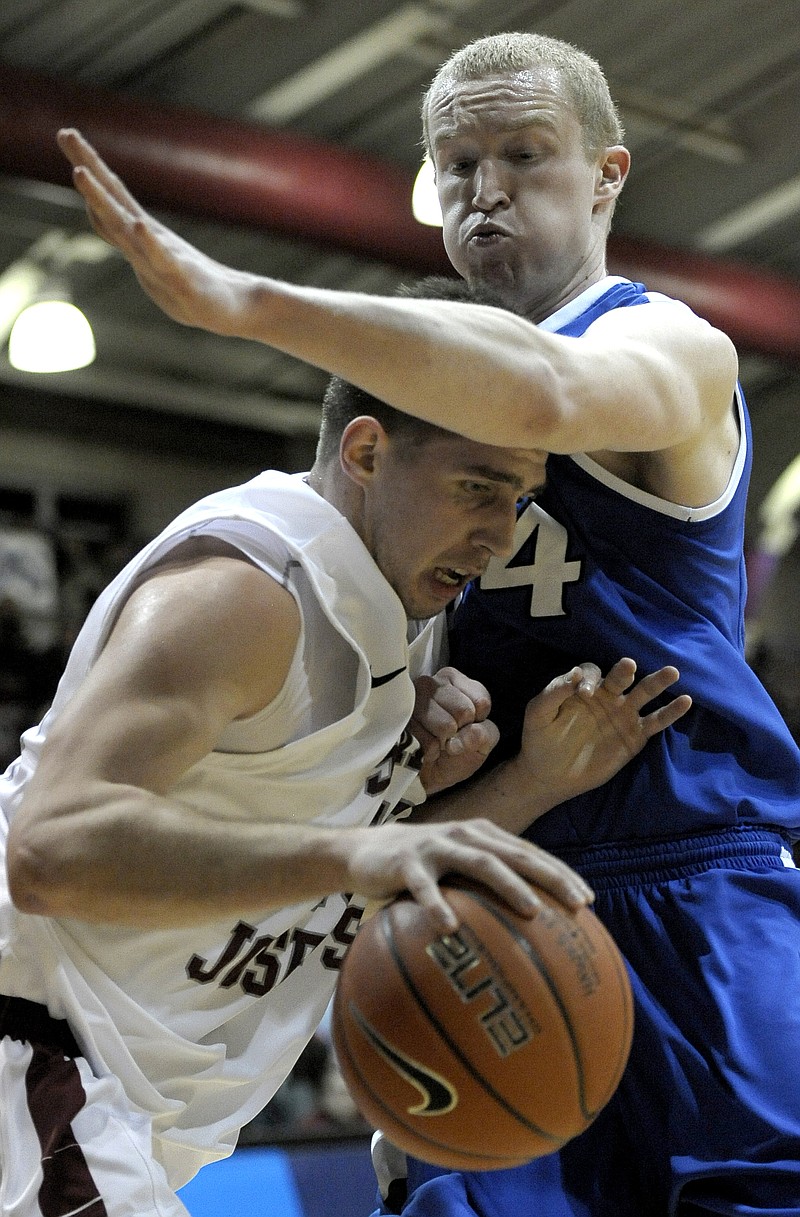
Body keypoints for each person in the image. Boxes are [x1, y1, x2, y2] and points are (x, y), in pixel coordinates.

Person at [52, 23, 800, 1210]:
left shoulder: (666, 344)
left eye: (523, 154)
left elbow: (547, 387)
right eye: (455, 165)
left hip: (687, 868)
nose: (484, 190)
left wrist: (246, 301)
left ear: (607, 174)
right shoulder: (401, 422)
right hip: (477, 876)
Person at [0, 312, 689, 1217]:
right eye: (477, 487)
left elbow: (331, 898)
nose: (501, 533)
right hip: (33, 1073)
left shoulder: (383, 632)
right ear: (365, 451)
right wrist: (353, 849)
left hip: (104, 1115)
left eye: (518, 498)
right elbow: (49, 849)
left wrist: (534, 780)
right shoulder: (250, 587)